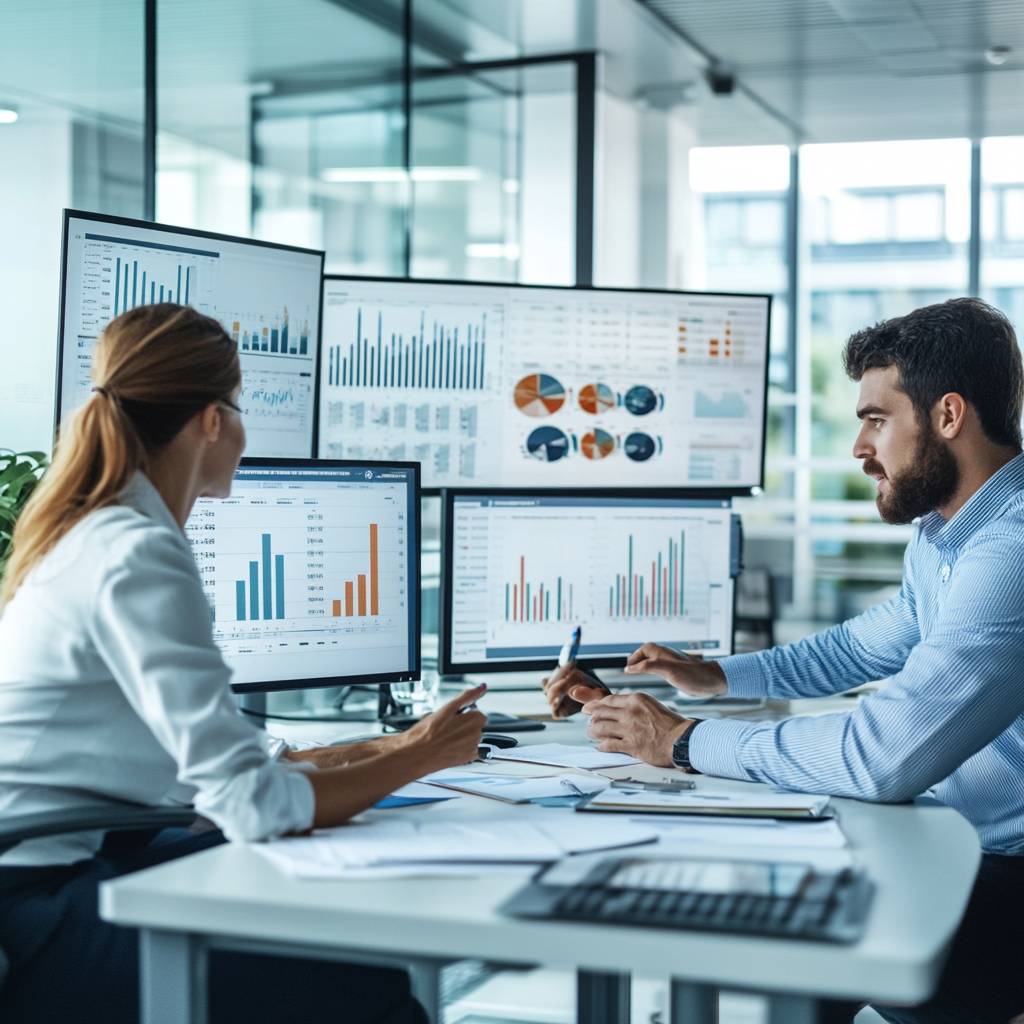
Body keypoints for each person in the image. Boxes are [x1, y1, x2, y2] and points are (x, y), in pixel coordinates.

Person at [0, 303, 486, 1024]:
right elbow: (253, 808)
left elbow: (210, 773)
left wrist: (380, 750)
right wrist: (420, 758)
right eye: (241, 405)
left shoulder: (101, 527)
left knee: (334, 914)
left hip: (79, 857)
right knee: (368, 986)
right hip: (39, 913)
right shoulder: (133, 550)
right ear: (211, 420)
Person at [543, 298, 1024, 1024]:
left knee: (790, 925)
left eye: (875, 419)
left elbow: (881, 756)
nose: (861, 449)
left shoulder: (1009, 554)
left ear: (948, 415)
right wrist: (718, 677)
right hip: (955, 840)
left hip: (1005, 877)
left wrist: (683, 742)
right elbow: (862, 645)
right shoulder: (945, 532)